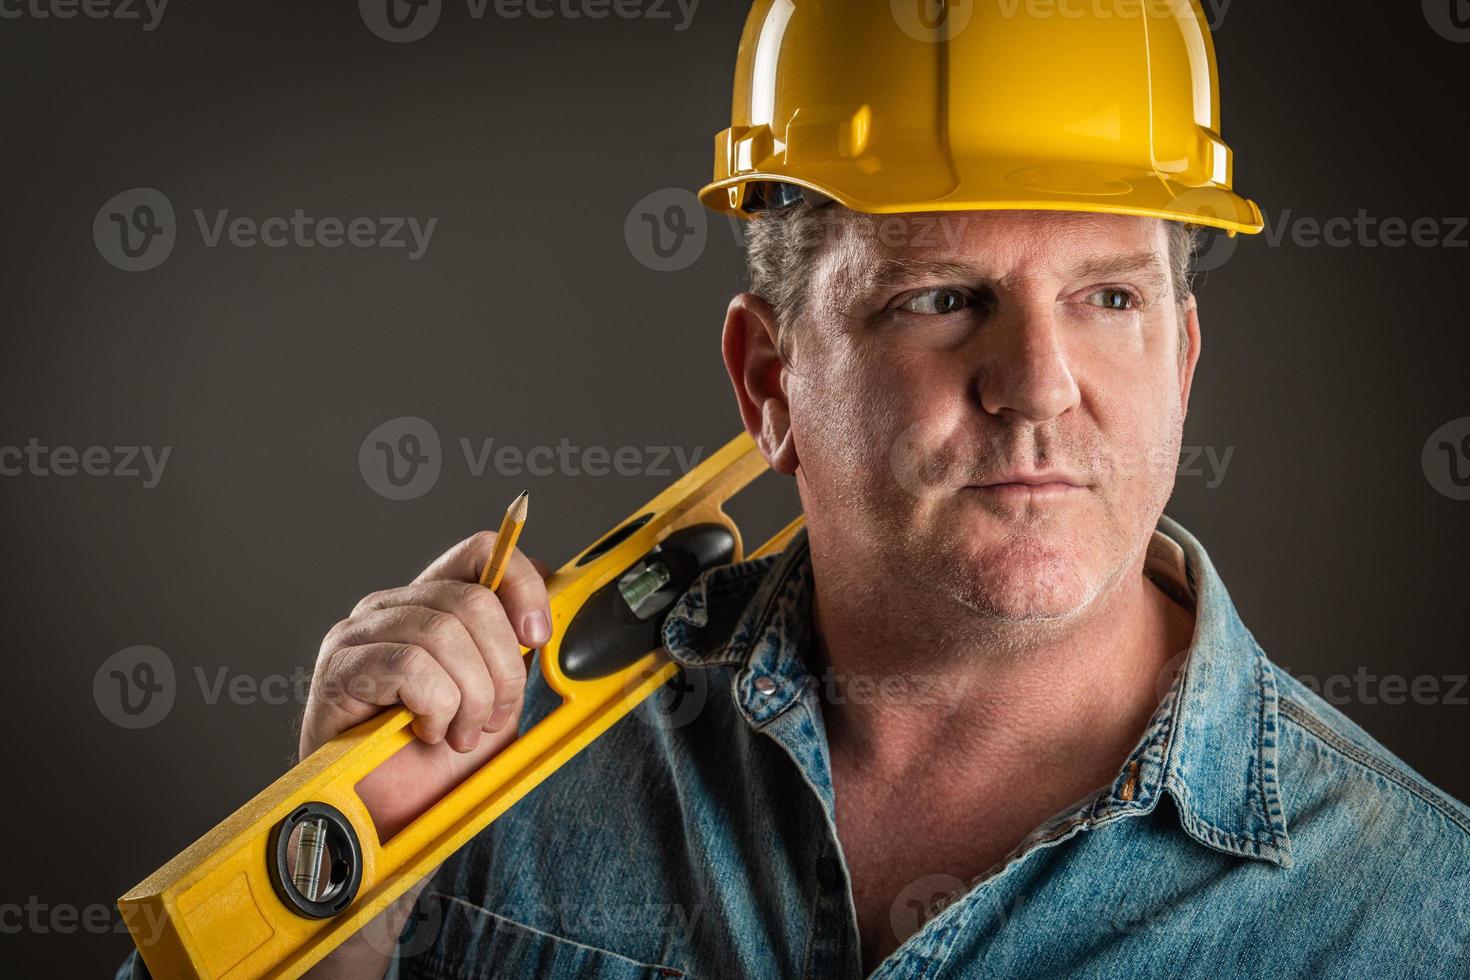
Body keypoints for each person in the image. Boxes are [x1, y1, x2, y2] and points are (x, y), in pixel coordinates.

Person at [115, 3, 1470, 978]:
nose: (1038, 385)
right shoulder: (491, 773)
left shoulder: (1416, 917)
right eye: (942, 300)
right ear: (768, 381)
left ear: (1177, 358)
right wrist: (324, 900)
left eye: (1106, 296)